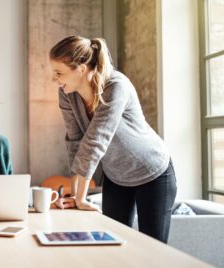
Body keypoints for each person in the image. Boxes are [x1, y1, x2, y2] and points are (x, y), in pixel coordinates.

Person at [49, 36, 177, 243]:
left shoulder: (116, 85)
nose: (54, 79)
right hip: (117, 177)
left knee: (154, 251)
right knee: (111, 242)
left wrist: (81, 197)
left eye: (59, 73)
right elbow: (75, 142)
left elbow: (96, 140)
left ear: (80, 69)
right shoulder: (66, 94)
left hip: (153, 172)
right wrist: (76, 194)